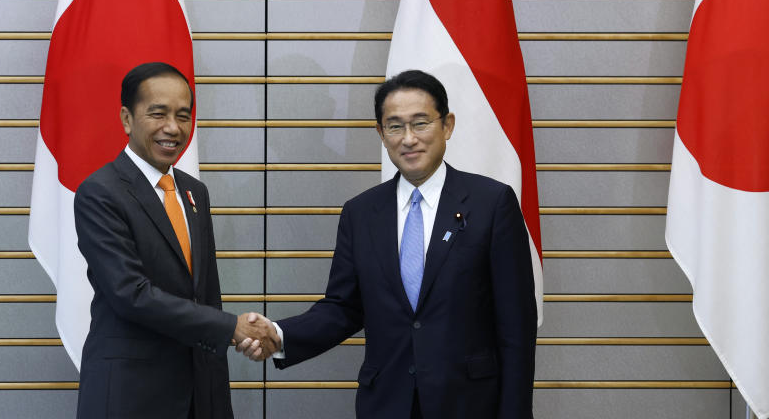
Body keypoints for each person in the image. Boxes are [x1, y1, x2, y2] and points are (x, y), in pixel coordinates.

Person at [237, 69, 537, 418]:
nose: (408, 138)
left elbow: (516, 326)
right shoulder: (361, 213)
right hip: (386, 403)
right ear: (381, 133)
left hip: (469, 403)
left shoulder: (491, 203)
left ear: (447, 125)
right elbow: (343, 308)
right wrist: (278, 334)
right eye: (395, 126)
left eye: (420, 123)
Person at [73, 61, 275, 419]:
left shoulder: (194, 192)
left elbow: (206, 294)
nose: (173, 128)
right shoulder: (99, 193)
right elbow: (130, 294)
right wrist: (232, 327)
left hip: (200, 392)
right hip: (131, 395)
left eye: (183, 116)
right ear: (126, 118)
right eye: (158, 114)